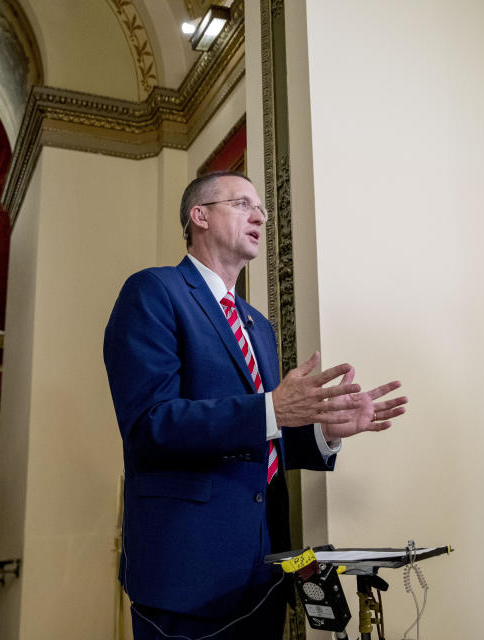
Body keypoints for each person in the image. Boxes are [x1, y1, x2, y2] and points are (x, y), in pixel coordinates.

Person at [103, 171, 409, 639]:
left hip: (264, 573)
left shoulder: (257, 325)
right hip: (185, 573)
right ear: (199, 216)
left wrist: (325, 432)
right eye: (243, 203)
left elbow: (264, 437)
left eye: (262, 208)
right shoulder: (154, 292)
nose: (260, 216)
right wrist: (272, 409)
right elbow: (150, 423)